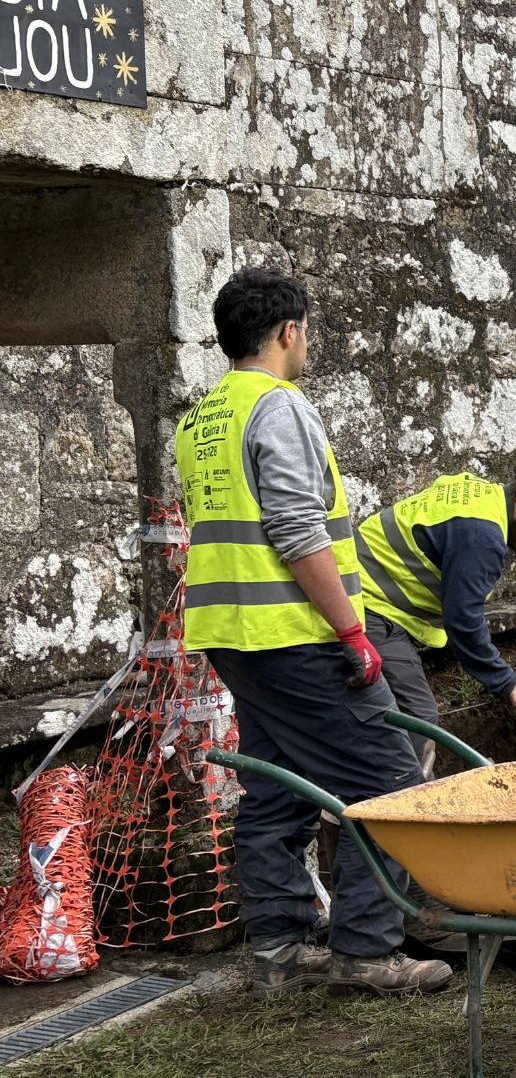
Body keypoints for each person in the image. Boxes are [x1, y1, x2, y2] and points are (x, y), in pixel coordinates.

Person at [175, 268, 452, 997]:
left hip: (231, 634)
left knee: (278, 789)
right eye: (308, 331)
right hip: (291, 633)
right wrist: (353, 631)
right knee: (389, 784)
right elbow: (297, 531)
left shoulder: (202, 417)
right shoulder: (279, 407)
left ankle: (277, 950)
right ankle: (366, 952)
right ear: (289, 331)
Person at [355, 468, 516, 772]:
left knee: (402, 714)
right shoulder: (483, 535)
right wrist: (498, 675)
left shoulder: (481, 497)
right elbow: (463, 619)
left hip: (366, 594)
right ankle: (399, 804)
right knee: (417, 716)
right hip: (367, 605)